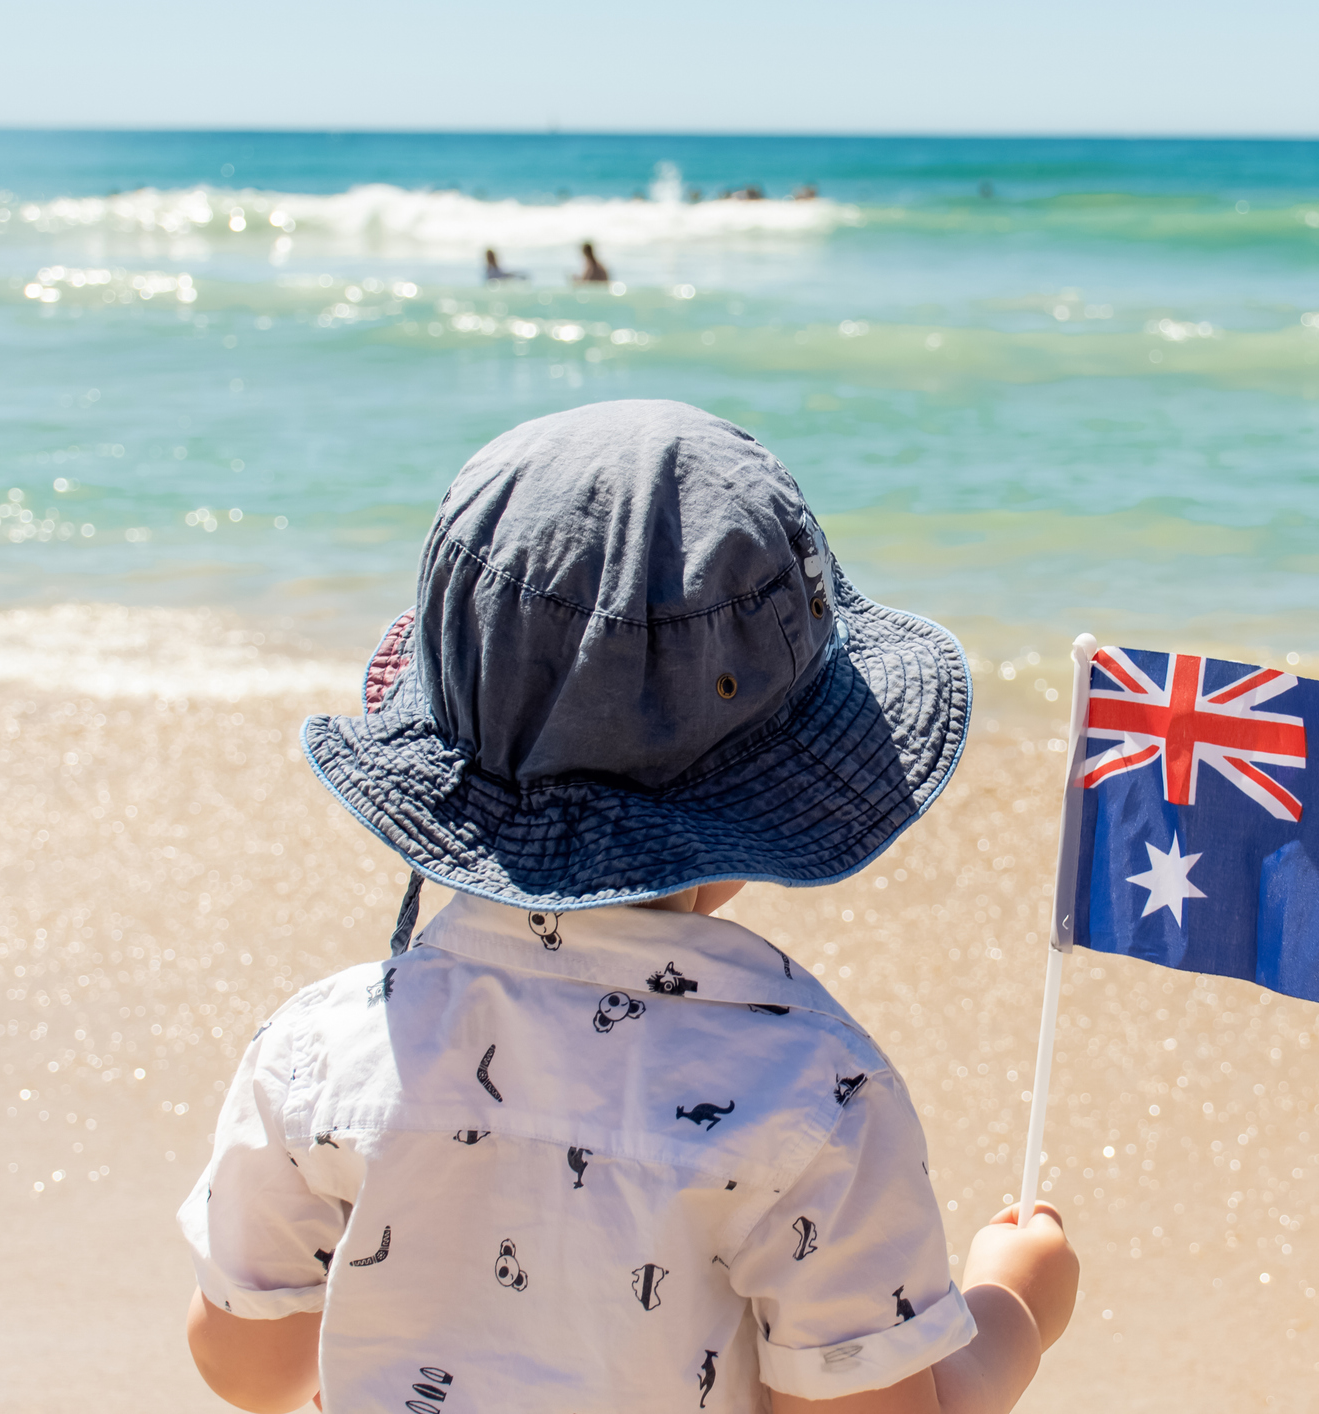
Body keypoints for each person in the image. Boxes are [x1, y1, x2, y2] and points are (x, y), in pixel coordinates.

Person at [178, 400, 1079, 1413]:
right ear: (772, 792)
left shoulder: (322, 1047)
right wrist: (1016, 1308)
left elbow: (250, 1368)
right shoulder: (809, 1090)